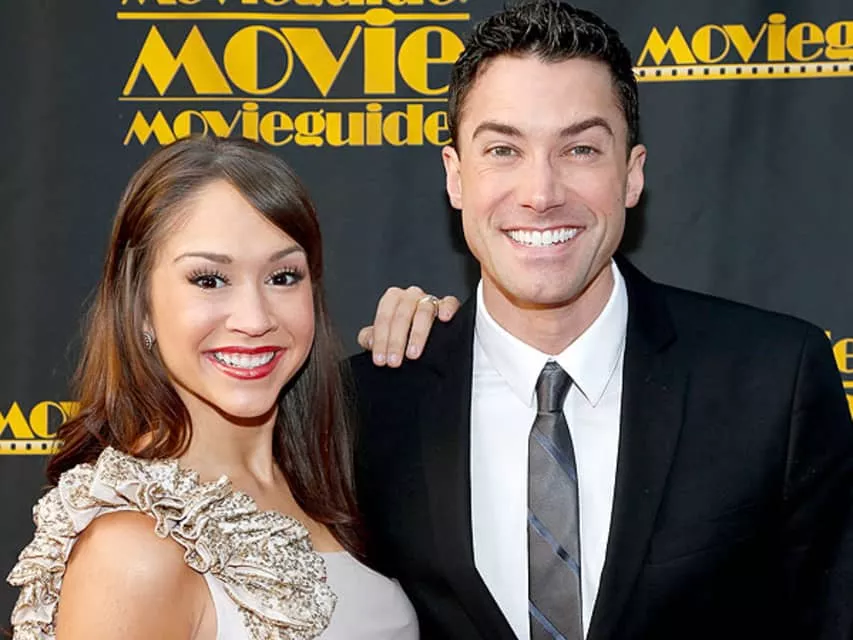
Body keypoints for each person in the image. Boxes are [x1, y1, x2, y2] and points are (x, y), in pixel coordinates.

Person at [350, 2, 853, 639]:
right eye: (503, 150)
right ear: (455, 177)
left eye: (581, 149)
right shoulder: (369, 406)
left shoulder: (773, 381)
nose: (541, 193)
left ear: (632, 175)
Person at [6, 136, 419, 639]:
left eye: (283, 277)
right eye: (209, 280)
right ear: (140, 307)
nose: (255, 319)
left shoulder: (336, 479)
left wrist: (453, 343)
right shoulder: (133, 549)